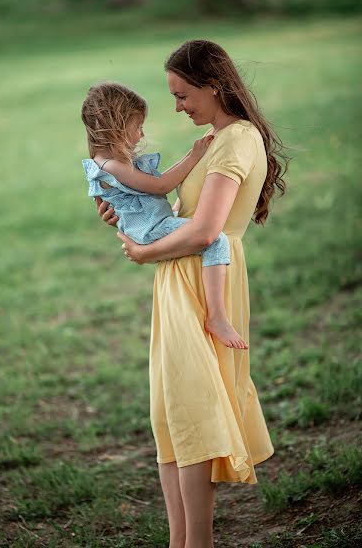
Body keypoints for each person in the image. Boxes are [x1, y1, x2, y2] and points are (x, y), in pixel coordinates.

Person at [95, 40, 289, 548]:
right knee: (172, 414)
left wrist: (142, 253)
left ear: (214, 85)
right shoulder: (216, 139)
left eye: (182, 95)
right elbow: (172, 212)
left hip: (204, 282)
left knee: (196, 413)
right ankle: (179, 541)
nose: (177, 107)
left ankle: (197, 542)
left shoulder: (237, 140)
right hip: (178, 280)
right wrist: (126, 212)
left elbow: (207, 232)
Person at [81, 82, 248, 350]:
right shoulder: (111, 166)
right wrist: (194, 156)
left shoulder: (106, 162)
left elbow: (148, 192)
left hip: (151, 222)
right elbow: (160, 186)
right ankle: (216, 317)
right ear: (116, 125)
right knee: (215, 239)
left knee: (202, 231)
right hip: (150, 230)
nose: (142, 133)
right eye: (137, 126)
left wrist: (191, 157)